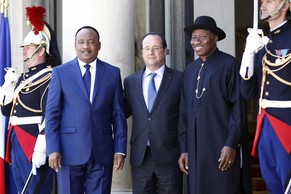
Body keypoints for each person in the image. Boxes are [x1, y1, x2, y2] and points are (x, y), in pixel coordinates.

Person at [45, 26, 127, 194]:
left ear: (99, 45)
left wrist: (120, 149)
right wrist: (52, 148)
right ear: (75, 45)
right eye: (81, 42)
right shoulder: (60, 73)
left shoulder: (112, 73)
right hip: (68, 152)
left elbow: (118, 114)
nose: (86, 46)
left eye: (91, 42)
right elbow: (52, 114)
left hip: (102, 151)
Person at [178, 15, 252, 194]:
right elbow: (183, 113)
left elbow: (239, 108)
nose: (197, 42)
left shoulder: (230, 65)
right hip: (195, 153)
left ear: (215, 38)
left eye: (202, 37)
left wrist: (231, 144)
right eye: (194, 38)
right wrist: (184, 149)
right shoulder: (189, 71)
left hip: (221, 148)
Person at [0, 6, 61, 194]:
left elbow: (49, 115)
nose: (24, 51)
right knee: (22, 189)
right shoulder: (23, 78)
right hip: (16, 138)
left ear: (41, 50)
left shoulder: (50, 77)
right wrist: (8, 87)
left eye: (29, 47)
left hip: (34, 142)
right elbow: (6, 111)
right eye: (24, 47)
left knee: (37, 190)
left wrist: (42, 147)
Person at [240, 0, 291, 193]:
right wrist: (248, 54)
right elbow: (247, 92)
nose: (263, 4)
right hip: (266, 125)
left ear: (285, 5)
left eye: (270, 1)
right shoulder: (262, 43)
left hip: (287, 126)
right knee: (273, 187)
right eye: (262, 1)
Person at [123, 32, 184, 194]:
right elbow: (122, 112)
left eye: (156, 48)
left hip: (170, 155)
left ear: (165, 51)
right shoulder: (130, 82)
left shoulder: (179, 79)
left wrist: (185, 150)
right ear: (142, 52)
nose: (151, 52)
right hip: (141, 156)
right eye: (147, 48)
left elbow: (185, 118)